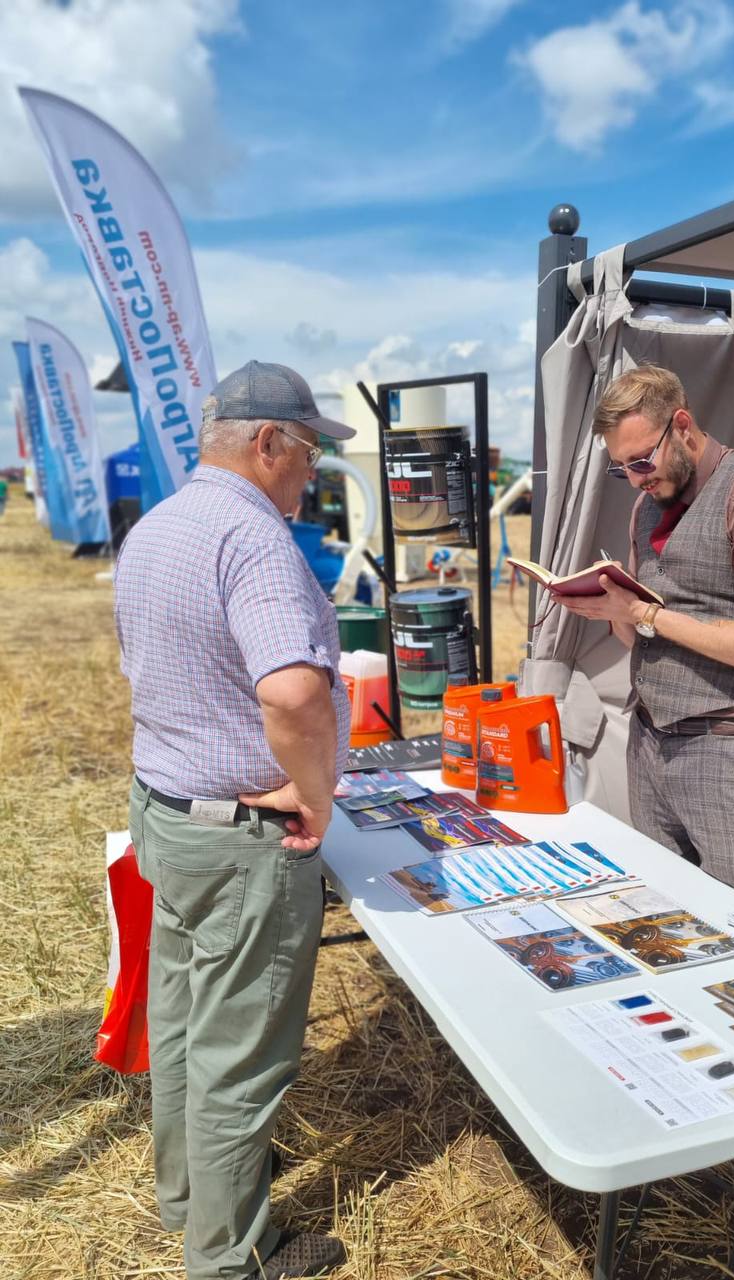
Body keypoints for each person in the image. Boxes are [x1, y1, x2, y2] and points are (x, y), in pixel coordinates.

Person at [559, 364, 734, 1280]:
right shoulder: (646, 505)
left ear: (683, 424)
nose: (636, 477)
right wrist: (613, 612)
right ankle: (689, 1135)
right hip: (657, 745)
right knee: (664, 950)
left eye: (643, 459)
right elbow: (646, 630)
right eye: (621, 467)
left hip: (730, 757)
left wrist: (653, 617)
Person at [115, 360, 355, 1280]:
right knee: (239, 1056)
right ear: (267, 444)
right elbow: (292, 693)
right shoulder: (254, 539)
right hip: (238, 841)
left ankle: (189, 1201)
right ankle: (227, 1259)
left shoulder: (156, 527)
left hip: (168, 813)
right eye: (309, 455)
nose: (312, 475)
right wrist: (317, 793)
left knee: (184, 1022)